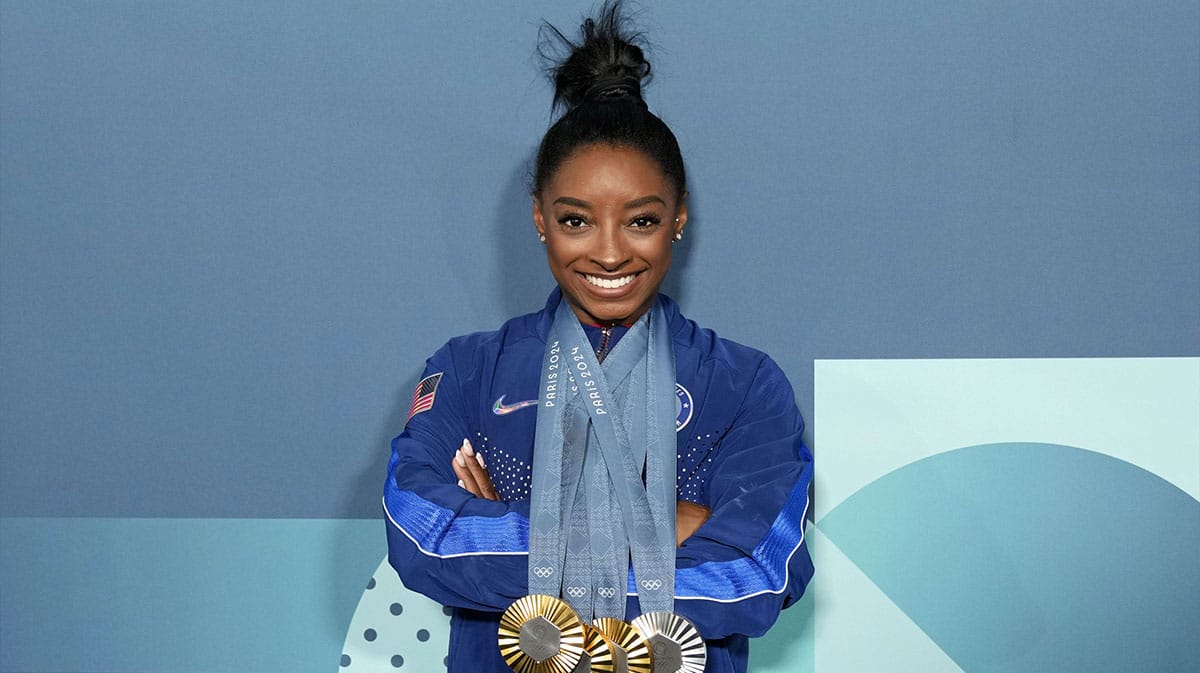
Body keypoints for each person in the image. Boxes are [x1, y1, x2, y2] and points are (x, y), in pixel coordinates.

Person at [383, 4, 813, 671]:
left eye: (640, 220)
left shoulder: (746, 384)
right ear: (540, 220)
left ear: (677, 219)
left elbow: (757, 571)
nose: (609, 254)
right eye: (577, 220)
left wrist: (519, 530)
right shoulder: (469, 371)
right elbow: (423, 533)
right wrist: (676, 524)